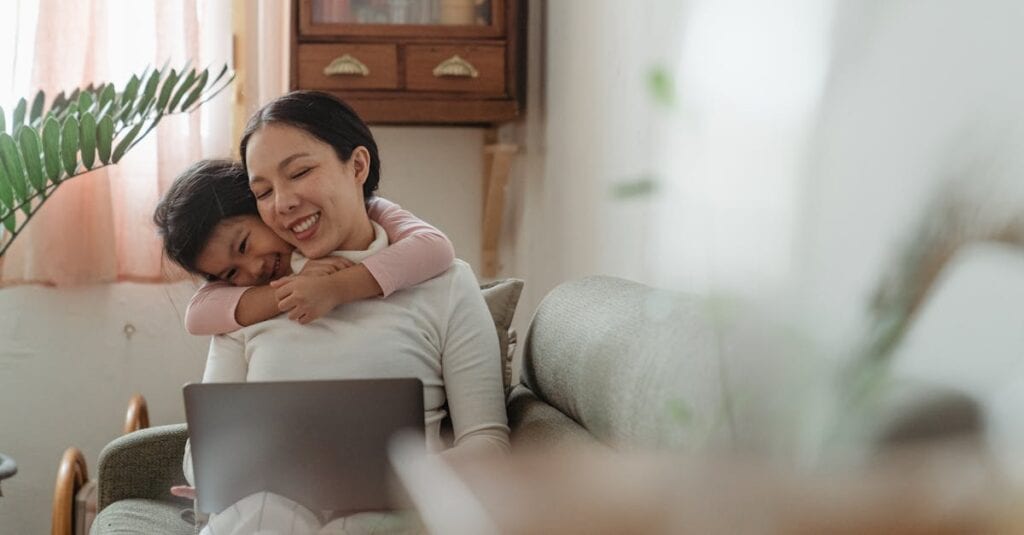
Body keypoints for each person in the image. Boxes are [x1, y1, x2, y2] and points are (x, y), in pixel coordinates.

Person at [156, 91, 509, 534]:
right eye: (262, 191)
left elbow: (488, 443)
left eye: (300, 171)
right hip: (268, 518)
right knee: (266, 514)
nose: (282, 203)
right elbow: (204, 454)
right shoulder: (243, 303)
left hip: (394, 514)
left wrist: (400, 484)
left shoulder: (445, 283)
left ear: (357, 166)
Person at [154, 159, 456, 332]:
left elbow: (434, 247)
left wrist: (335, 288)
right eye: (231, 274)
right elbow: (197, 316)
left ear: (260, 202)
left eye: (244, 246)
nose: (254, 268)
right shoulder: (255, 286)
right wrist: (297, 286)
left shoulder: (366, 209)